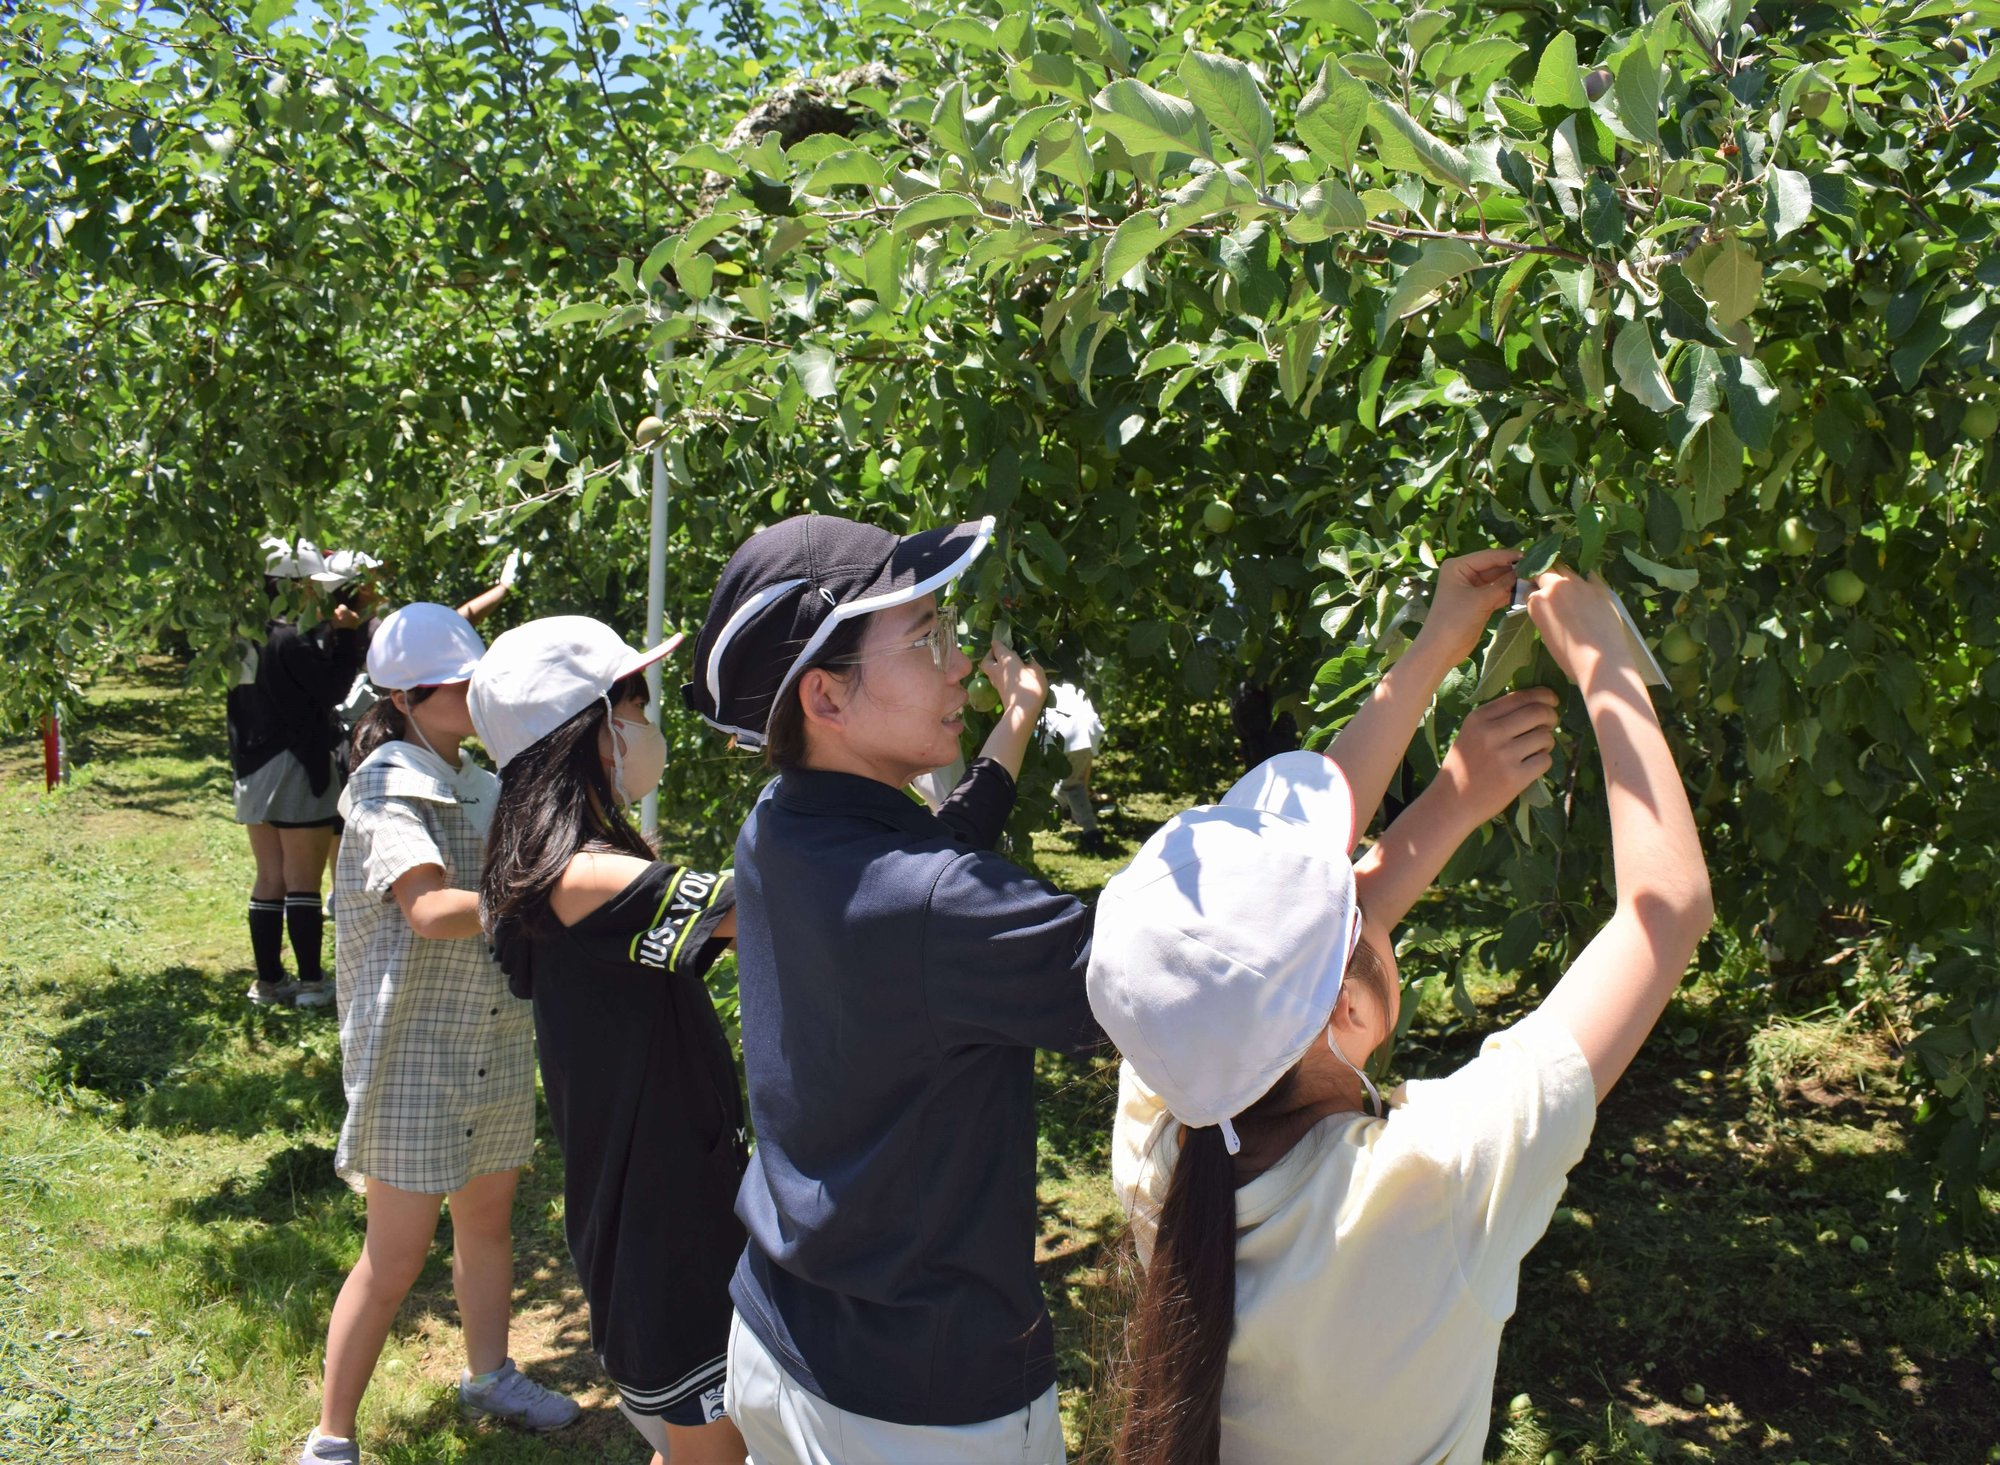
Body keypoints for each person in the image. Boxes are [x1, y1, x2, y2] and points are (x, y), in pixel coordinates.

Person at [1090, 565, 1715, 1465]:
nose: (1362, 883)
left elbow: (1274, 954)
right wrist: (1606, 658)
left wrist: (1438, 682)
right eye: (1350, 899)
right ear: (1343, 1002)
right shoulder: (1438, 1185)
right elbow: (1668, 908)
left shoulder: (1164, 1124)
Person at [681, 513, 1100, 1462]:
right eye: (927, 639)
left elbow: (936, 852)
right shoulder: (932, 905)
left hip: (778, 1337)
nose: (957, 663)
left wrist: (1017, 719)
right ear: (826, 696)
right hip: (920, 1415)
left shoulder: (783, 824)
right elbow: (1206, 975)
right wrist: (1441, 788)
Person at [299, 604, 579, 1465]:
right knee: (393, 1258)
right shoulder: (386, 782)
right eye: (465, 684)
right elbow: (427, 909)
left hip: (491, 1034)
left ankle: (488, 1375)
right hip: (414, 1052)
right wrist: (557, 894)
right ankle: (330, 1437)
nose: (480, 693)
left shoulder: (484, 781)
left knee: (486, 1220)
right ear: (413, 696)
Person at [469, 616, 747, 1465]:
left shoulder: (554, 870)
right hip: (667, 1223)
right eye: (633, 700)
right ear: (584, 731)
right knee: (715, 1453)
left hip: (655, 1201)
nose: (646, 720)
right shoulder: (584, 878)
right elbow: (759, 909)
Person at [229, 538, 370, 1008]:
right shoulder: (290, 638)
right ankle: (311, 982)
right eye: (311, 583)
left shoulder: (243, 635)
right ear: (291, 585)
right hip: (294, 765)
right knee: (303, 880)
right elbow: (332, 689)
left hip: (252, 767)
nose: (318, 592)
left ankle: (269, 981)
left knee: (269, 876)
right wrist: (348, 637)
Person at [1041, 678, 1107, 852]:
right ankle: (1090, 832)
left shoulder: (1044, 688)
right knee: (1072, 785)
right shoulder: (1073, 684)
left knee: (1069, 786)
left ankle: (1042, 817)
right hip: (1087, 735)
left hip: (1065, 736)